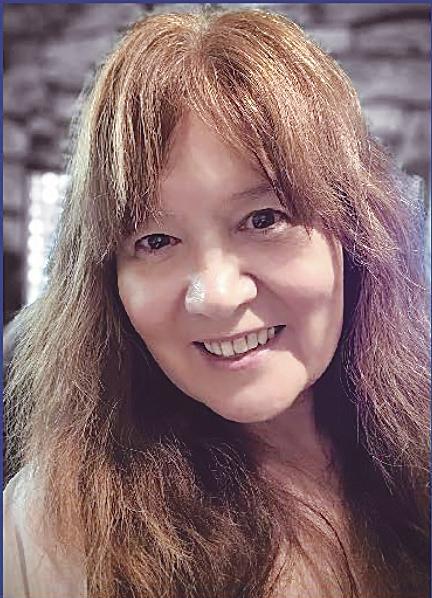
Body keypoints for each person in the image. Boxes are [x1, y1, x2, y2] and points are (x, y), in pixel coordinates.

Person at [3, 8, 430, 598]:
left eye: (264, 218)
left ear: (354, 231)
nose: (218, 297)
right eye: (155, 241)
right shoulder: (50, 536)